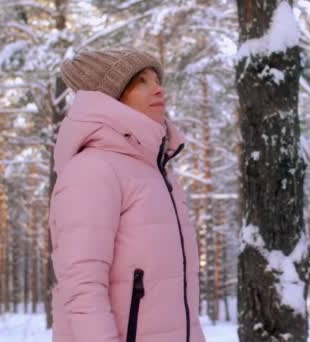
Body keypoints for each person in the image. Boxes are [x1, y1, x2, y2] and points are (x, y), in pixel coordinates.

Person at [48, 48, 206, 342]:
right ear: (112, 96)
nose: (158, 88)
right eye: (141, 81)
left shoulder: (159, 172)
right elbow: (83, 288)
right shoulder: (93, 170)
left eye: (157, 79)